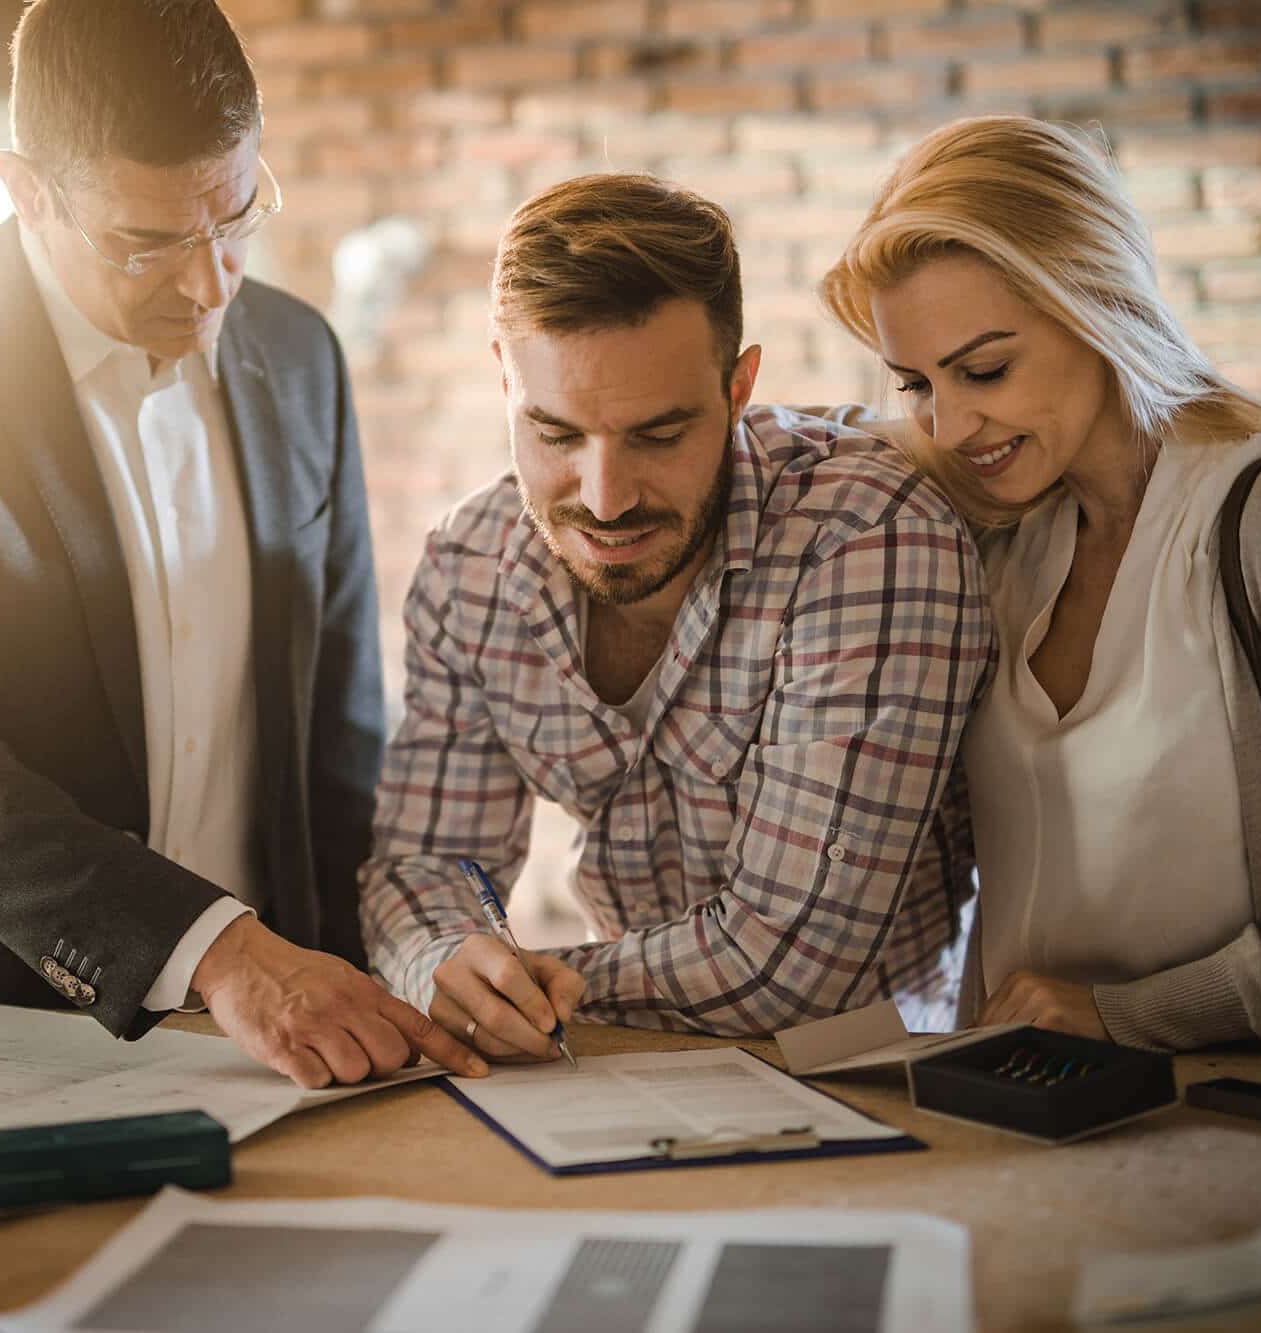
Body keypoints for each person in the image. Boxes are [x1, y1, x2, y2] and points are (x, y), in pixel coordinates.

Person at [0, 0, 482, 1088]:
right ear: (26, 191)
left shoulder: (299, 355)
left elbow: (335, 729)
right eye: (146, 242)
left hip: (260, 1024)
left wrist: (385, 960)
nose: (208, 286)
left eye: (237, 217)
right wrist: (215, 951)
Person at [358, 173, 994, 1059]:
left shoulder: (867, 536)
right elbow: (427, 865)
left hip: (878, 1084)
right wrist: (446, 952)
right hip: (625, 1078)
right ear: (503, 378)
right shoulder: (469, 569)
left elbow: (794, 963)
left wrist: (536, 984)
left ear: (739, 388)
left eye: (658, 435)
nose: (607, 499)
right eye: (556, 434)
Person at [818, 115, 1261, 1050]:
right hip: (1010, 1117)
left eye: (985, 369)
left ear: (1097, 304)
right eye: (916, 383)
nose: (951, 423)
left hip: (1248, 1142)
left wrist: (1132, 1016)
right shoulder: (994, 534)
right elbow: (807, 451)